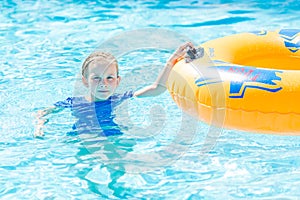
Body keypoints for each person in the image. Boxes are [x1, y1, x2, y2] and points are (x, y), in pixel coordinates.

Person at [34, 42, 195, 138]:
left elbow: (156, 88)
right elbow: (43, 112)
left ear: (118, 81)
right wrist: (39, 126)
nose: (103, 83)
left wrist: (171, 61)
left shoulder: (119, 98)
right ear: (85, 81)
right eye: (96, 78)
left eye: (109, 78)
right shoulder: (74, 102)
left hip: (114, 139)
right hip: (81, 140)